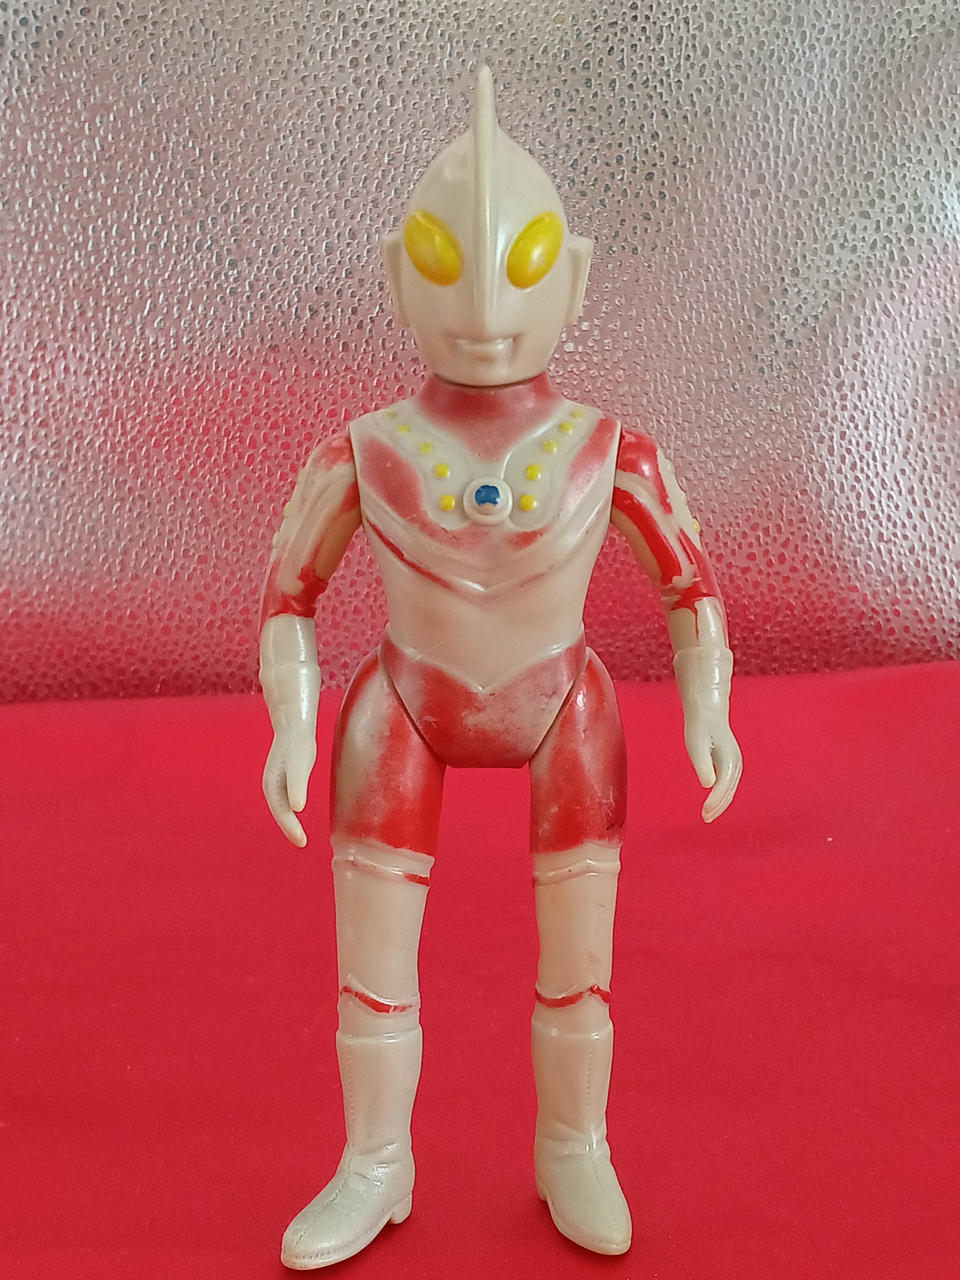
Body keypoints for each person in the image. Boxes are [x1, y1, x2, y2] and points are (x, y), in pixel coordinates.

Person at [259, 66, 742, 1270]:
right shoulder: (364, 450)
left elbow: (689, 587)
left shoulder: (609, 451)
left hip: (563, 704)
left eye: (520, 266)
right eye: (444, 263)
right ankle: (375, 1158)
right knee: (372, 972)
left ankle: (574, 1140)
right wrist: (291, 723)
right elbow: (289, 597)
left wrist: (710, 703)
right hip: (403, 704)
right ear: (397, 274)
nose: (482, 305)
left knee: (579, 968)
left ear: (570, 277)